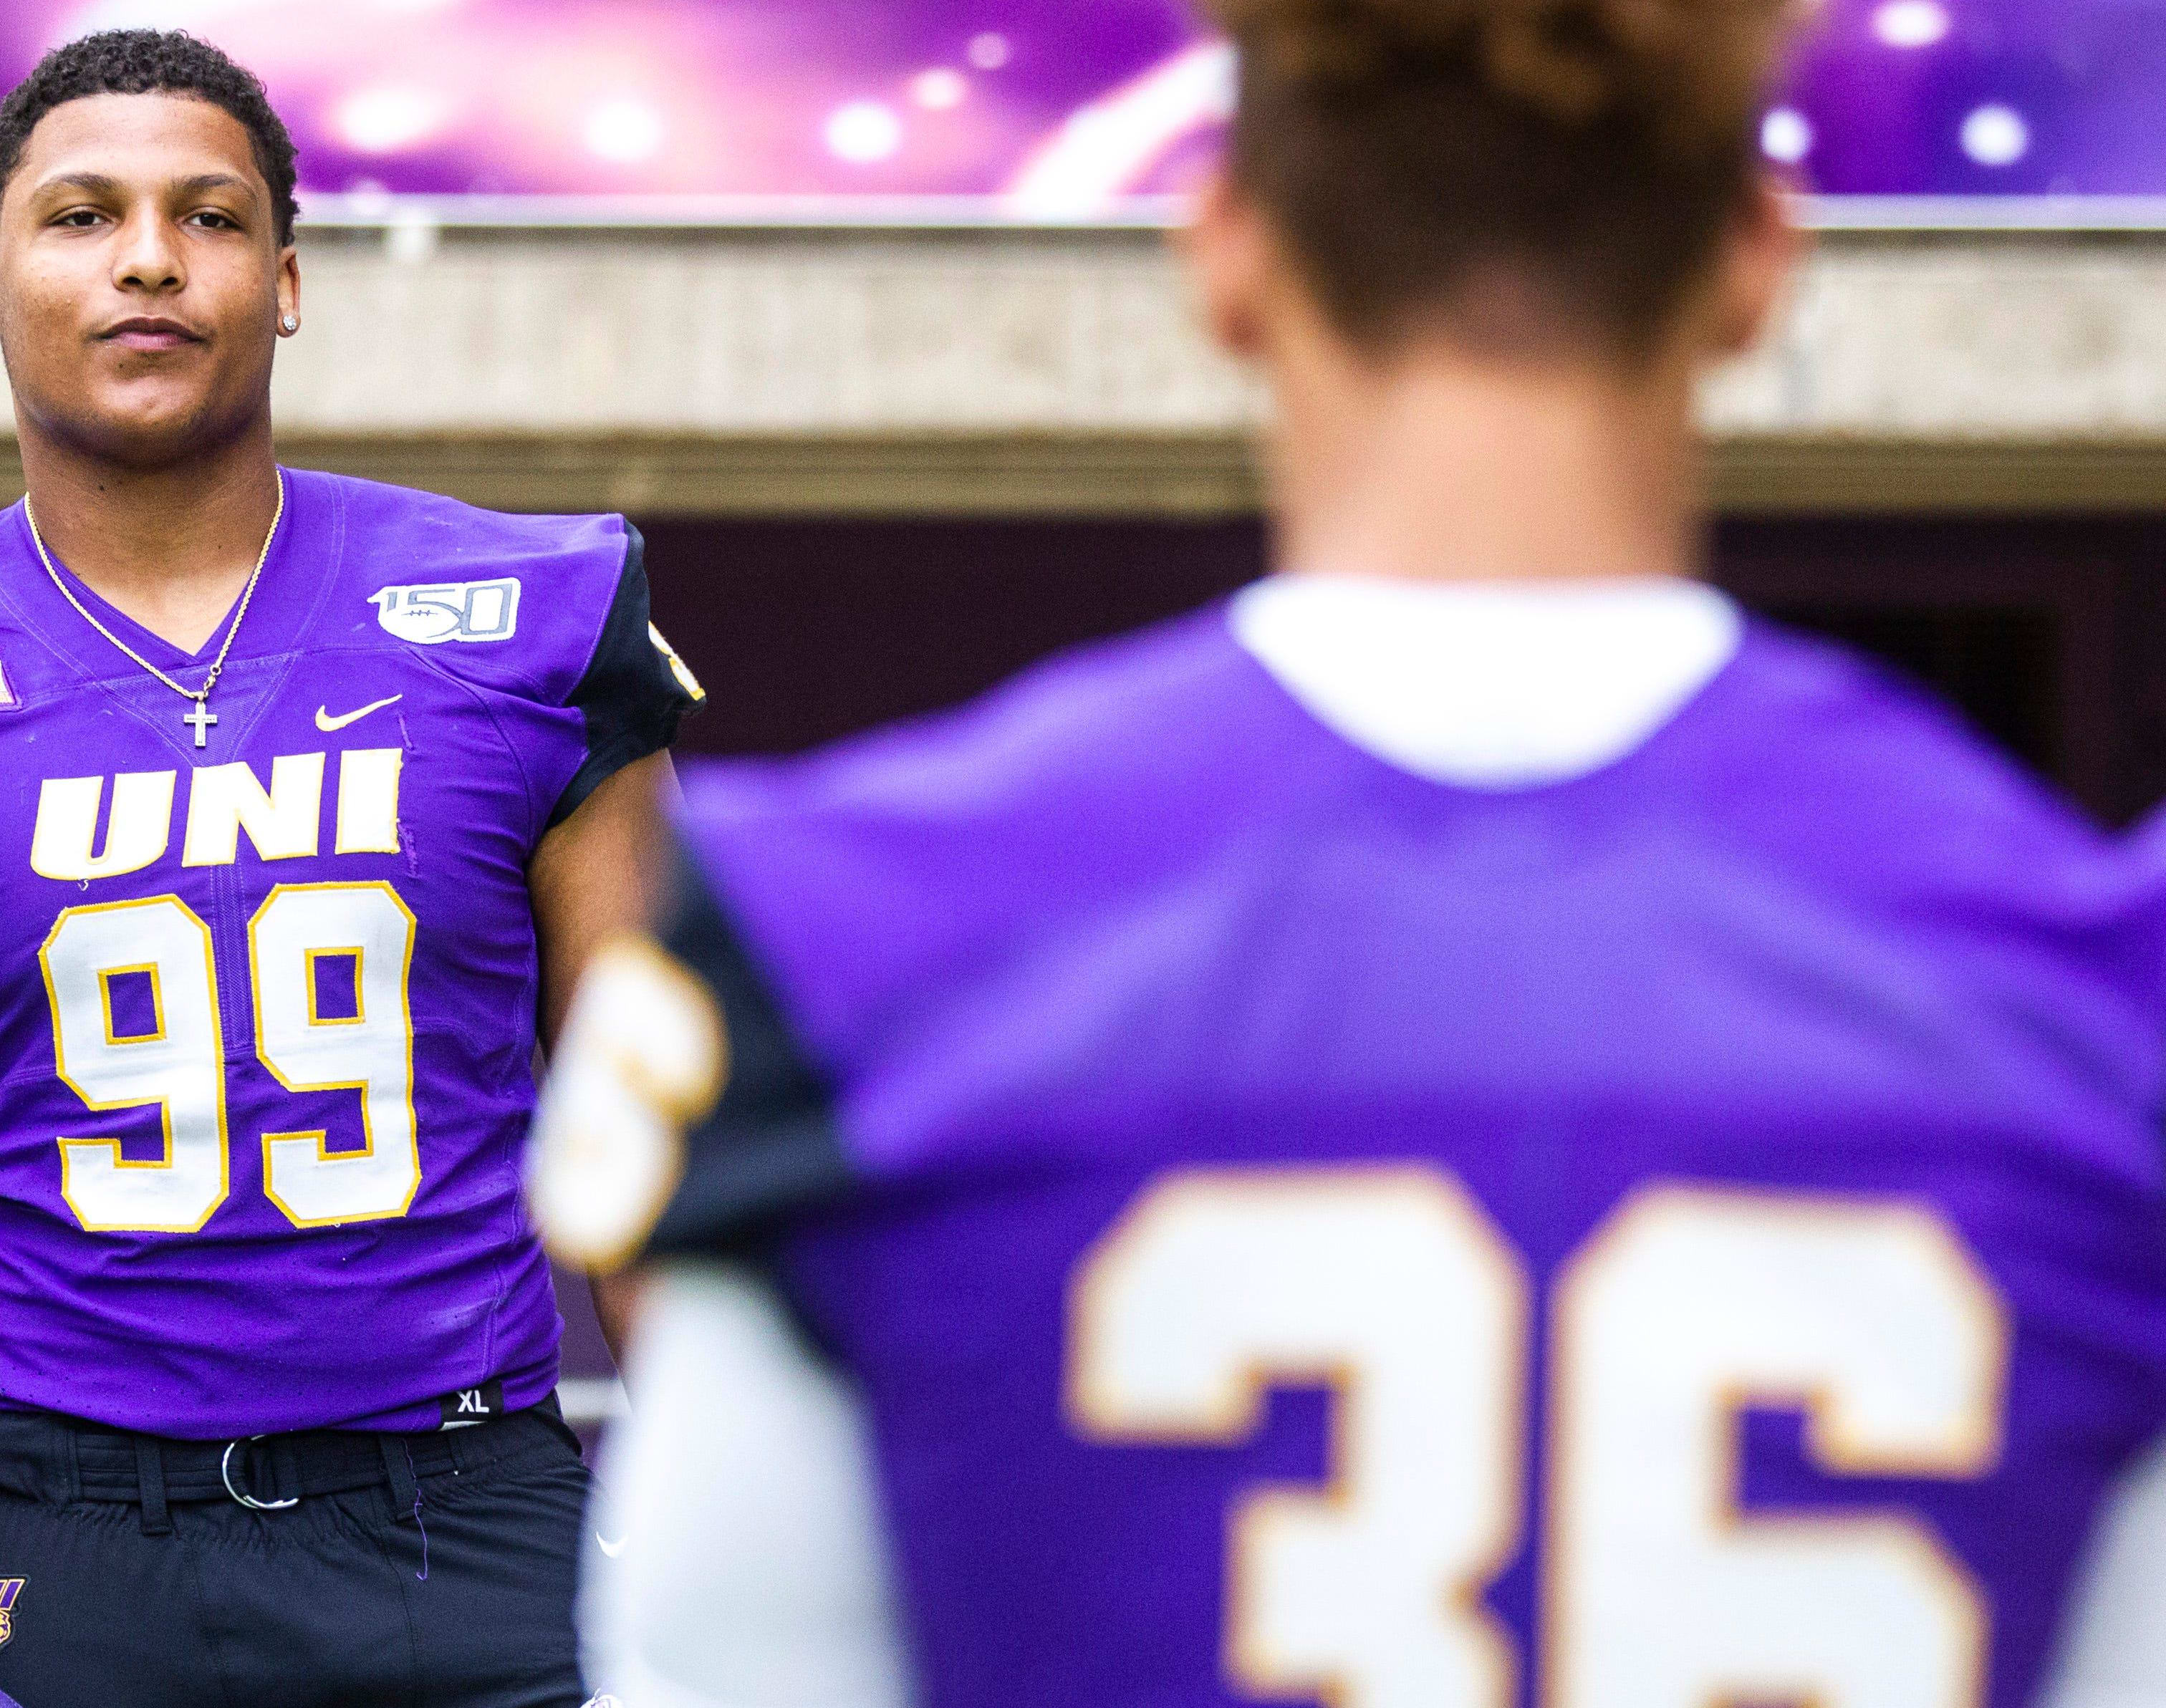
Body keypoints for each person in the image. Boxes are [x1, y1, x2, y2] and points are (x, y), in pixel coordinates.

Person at [527, 1, 2166, 1704]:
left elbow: (721, 1666)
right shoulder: (2091, 978)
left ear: (1221, 250)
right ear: (1758, 262)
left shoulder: (839, 941)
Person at [0, 30, 698, 1708]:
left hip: (470, 1509)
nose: (148, 255)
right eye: (82, 215)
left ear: (284, 282)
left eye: (206, 217)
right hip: (56, 1540)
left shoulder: (531, 620)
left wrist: (742, 1529)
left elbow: (658, 1119)